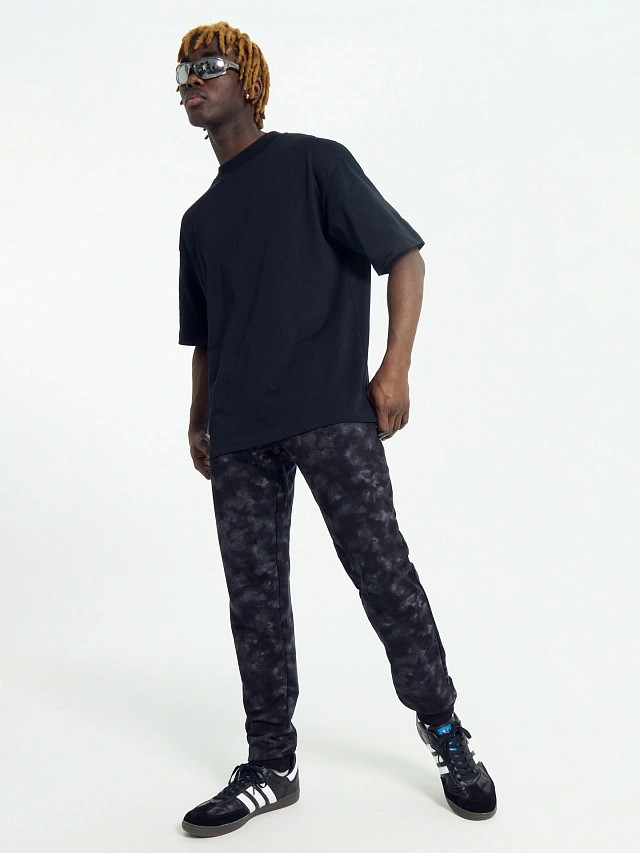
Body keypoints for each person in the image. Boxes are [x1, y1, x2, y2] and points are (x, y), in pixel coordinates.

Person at [175, 20, 497, 838]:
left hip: (330, 414)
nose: (190, 81)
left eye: (206, 66)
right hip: (240, 432)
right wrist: (199, 417)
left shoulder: (315, 163)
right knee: (254, 600)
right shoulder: (199, 221)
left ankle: (446, 730)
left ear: (248, 78)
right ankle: (270, 764)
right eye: (181, 73)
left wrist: (395, 368)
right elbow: (205, 336)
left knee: (383, 574)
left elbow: (405, 256)